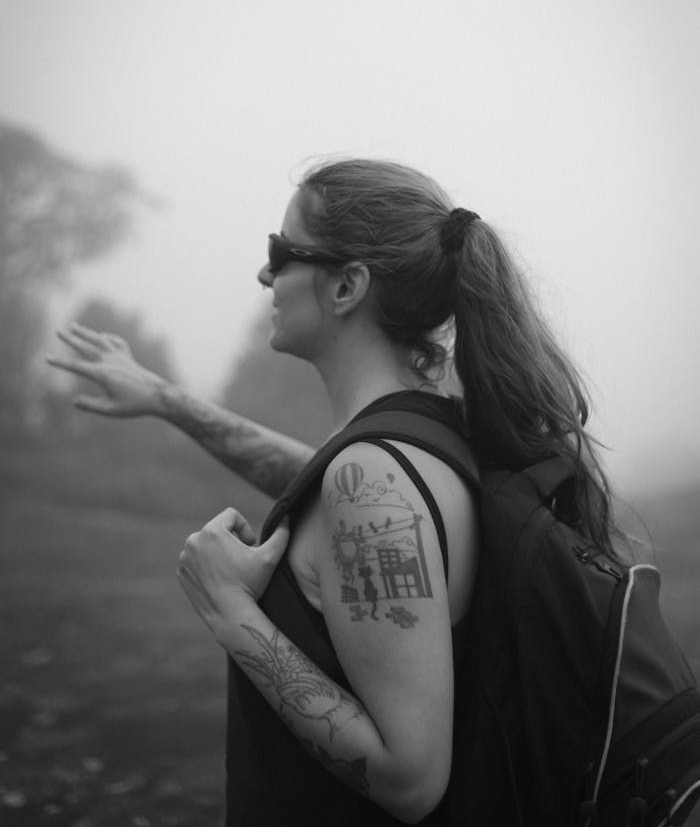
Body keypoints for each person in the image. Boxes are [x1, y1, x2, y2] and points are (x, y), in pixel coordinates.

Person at [48, 158, 620, 826]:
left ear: (347, 285)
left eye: (281, 252)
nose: (265, 274)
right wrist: (167, 401)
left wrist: (232, 612)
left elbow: (410, 778)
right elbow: (326, 495)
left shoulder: (372, 476)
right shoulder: (418, 439)